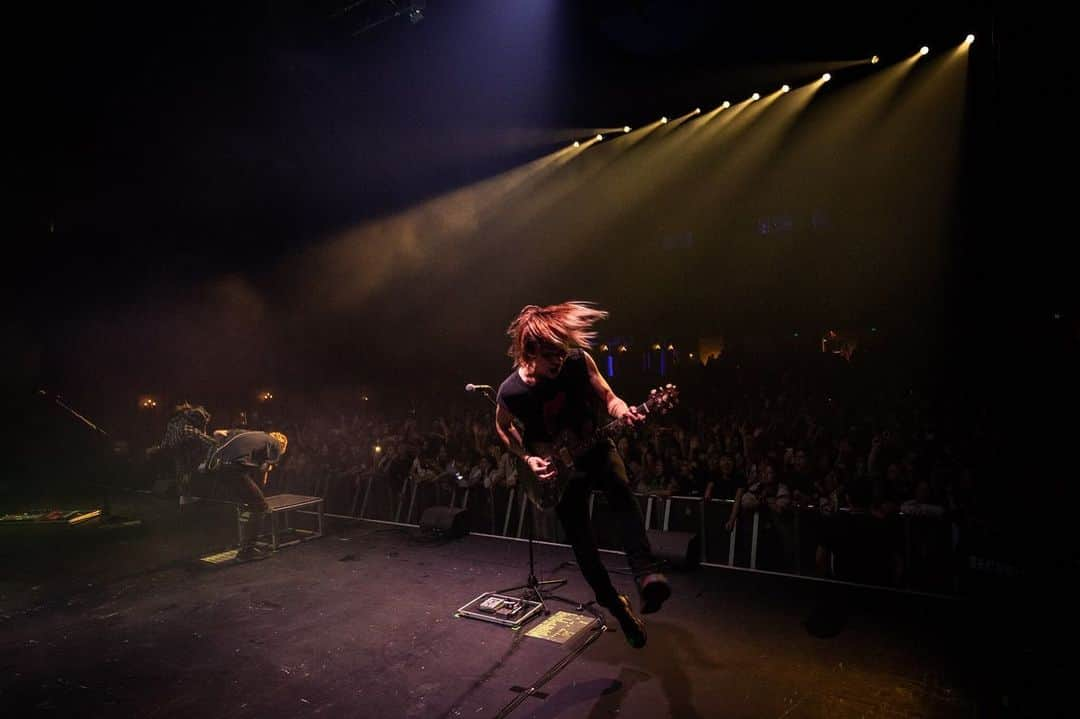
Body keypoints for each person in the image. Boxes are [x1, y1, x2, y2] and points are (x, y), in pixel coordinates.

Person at [494, 301, 670, 649]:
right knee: (584, 550)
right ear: (530, 352)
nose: (559, 360)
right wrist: (527, 457)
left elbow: (608, 396)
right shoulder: (511, 390)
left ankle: (647, 574)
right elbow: (502, 427)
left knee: (620, 488)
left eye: (562, 352)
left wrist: (626, 411)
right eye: (550, 355)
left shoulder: (577, 362)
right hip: (559, 472)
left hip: (594, 448)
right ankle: (617, 608)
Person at [202, 429, 289, 561]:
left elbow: (217, 433)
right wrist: (268, 469)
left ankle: (246, 544)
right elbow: (263, 469)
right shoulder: (275, 444)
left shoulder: (252, 434)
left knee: (246, 506)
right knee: (261, 506)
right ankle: (247, 551)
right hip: (234, 470)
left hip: (218, 468)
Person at [146, 402, 216, 508]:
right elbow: (195, 434)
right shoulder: (189, 418)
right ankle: (187, 498)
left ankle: (185, 499)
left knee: (183, 471)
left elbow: (167, 441)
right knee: (188, 470)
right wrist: (215, 442)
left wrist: (158, 448)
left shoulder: (173, 422)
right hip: (187, 447)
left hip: (180, 449)